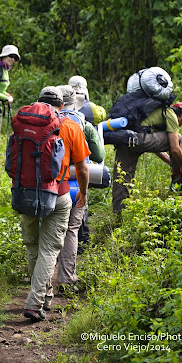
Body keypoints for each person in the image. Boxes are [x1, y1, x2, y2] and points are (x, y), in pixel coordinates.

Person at [21, 86, 90, 322]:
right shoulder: (70, 126)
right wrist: (83, 191)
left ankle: (44, 296)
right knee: (49, 249)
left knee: (32, 245)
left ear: (38, 101)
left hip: (25, 193)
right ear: (62, 106)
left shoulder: (24, 123)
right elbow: (82, 167)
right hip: (58, 193)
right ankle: (35, 301)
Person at [56, 85, 105, 293]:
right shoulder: (81, 123)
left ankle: (38, 279)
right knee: (71, 230)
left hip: (47, 184)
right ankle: (67, 280)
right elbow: (99, 156)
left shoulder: (46, 120)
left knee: (47, 230)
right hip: (74, 186)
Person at [112, 101, 182, 214]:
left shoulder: (155, 113)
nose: (180, 125)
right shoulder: (171, 114)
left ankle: (118, 219)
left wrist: (172, 162)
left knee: (121, 182)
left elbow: (157, 149)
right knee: (177, 138)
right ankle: (178, 179)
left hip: (125, 140)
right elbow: (174, 148)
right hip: (140, 139)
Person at [68, 75, 107, 251]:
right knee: (81, 203)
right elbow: (99, 156)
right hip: (79, 169)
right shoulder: (89, 115)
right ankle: (81, 242)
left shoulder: (52, 118)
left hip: (53, 173)